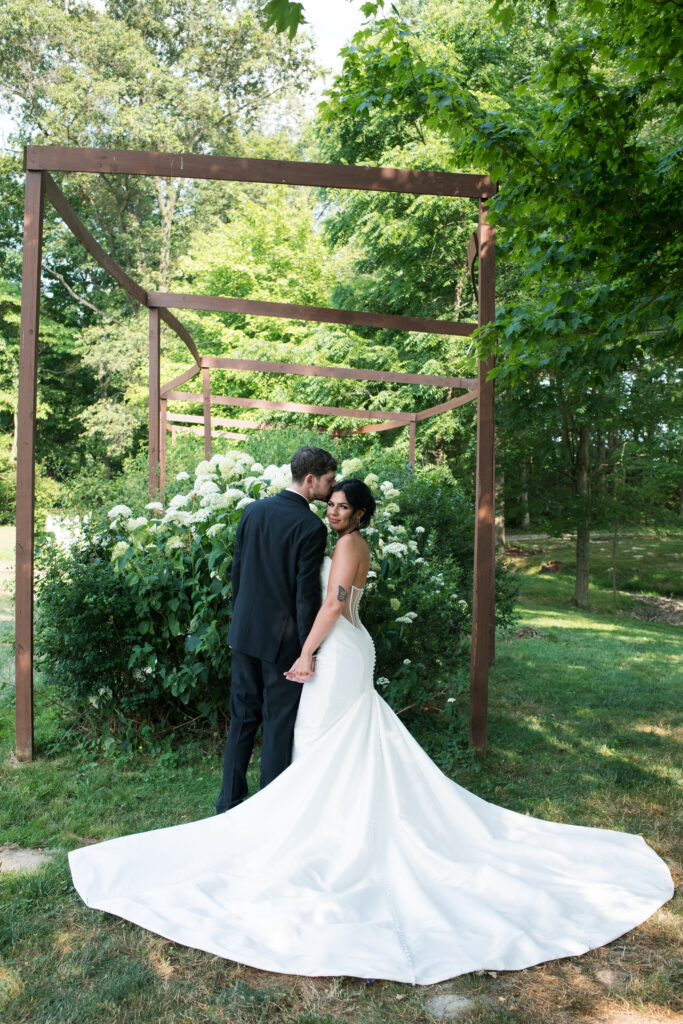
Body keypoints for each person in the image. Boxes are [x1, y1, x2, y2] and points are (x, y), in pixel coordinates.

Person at [69, 478, 673, 985]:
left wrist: (305, 655)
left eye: (340, 507)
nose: (331, 511)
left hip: (336, 649)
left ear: (358, 514)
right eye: (329, 504)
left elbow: (333, 607)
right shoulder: (344, 539)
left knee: (327, 738)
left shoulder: (353, 545)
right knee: (326, 742)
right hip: (335, 649)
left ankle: (337, 832)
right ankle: (327, 826)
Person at [215, 445, 336, 814]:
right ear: (311, 480)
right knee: (278, 724)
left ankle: (228, 804)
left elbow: (237, 575)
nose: (332, 490)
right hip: (282, 642)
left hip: (244, 634)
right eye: (329, 482)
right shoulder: (311, 527)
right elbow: (305, 596)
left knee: (242, 719)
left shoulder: (252, 511)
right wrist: (307, 651)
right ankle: (270, 811)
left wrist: (240, 624)